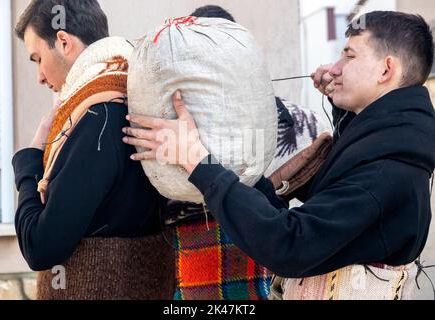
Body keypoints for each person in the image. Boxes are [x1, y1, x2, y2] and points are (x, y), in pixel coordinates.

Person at [123, 11, 435, 299]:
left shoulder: (388, 170)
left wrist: (197, 160)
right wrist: (344, 103)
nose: (334, 68)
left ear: (386, 69)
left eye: (349, 55)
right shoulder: (384, 141)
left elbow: (290, 243)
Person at [12, 0, 174, 300]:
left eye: (37, 59)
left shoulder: (97, 119)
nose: (39, 76)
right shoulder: (136, 101)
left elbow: (40, 247)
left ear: (63, 41)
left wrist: (29, 161)